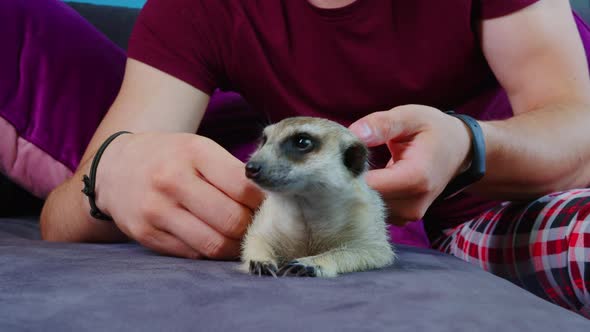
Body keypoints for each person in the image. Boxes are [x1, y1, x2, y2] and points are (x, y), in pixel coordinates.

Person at [40, 0, 590, 317]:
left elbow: (577, 130)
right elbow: (59, 217)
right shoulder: (200, 9)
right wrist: (112, 173)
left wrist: (468, 146)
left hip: (501, 200)